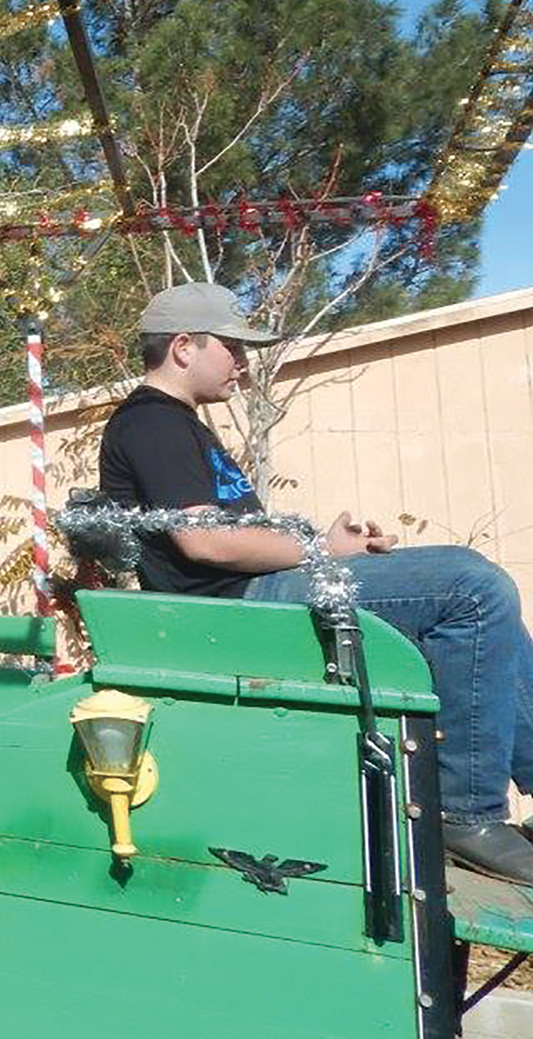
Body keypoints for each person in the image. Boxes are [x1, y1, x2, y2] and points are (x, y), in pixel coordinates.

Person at [100, 281, 533, 883]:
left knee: (480, 591)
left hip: (253, 592)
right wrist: (322, 550)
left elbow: (232, 534)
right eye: (232, 347)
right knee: (472, 590)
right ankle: (464, 815)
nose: (243, 363)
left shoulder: (177, 424)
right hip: (232, 607)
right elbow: (206, 542)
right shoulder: (152, 423)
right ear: (183, 347)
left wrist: (330, 545)